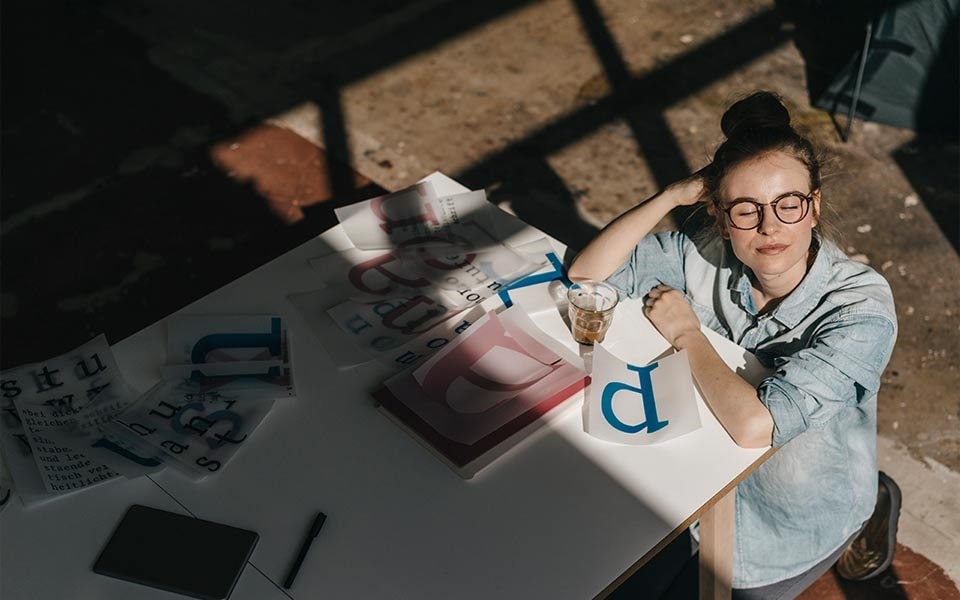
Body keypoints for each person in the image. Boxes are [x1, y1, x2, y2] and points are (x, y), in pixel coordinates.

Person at [568, 91, 900, 598]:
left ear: (814, 207)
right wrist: (669, 197)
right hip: (693, 486)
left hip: (786, 525)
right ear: (721, 219)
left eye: (788, 204)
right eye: (746, 210)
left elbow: (754, 427)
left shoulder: (861, 308)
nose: (770, 227)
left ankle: (869, 508)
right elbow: (588, 275)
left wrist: (686, 335)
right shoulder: (707, 253)